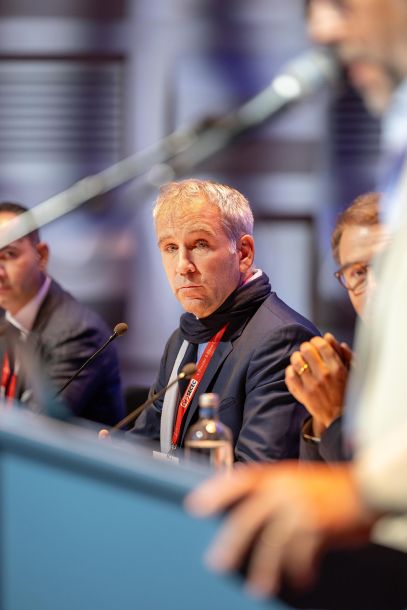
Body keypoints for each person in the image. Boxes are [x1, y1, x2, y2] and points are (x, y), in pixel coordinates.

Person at [185, 0, 407, 607]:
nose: (321, 28)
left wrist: (360, 476)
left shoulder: (280, 336)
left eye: (340, 3)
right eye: (356, 273)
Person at [130, 178, 319, 462]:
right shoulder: (183, 337)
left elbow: (258, 471)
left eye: (200, 244)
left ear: (243, 253)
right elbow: (147, 439)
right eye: (170, 248)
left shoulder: (283, 340)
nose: (182, 266)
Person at [0, 201, 124, 426]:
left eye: (9, 254)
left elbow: (36, 427)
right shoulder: (7, 321)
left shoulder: (77, 332)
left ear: (41, 256)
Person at [286, 192, 389, 462]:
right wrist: (321, 415)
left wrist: (335, 415)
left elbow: (380, 484)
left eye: (385, 264)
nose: (374, 287)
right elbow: (317, 485)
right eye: (358, 273)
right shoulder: (365, 370)